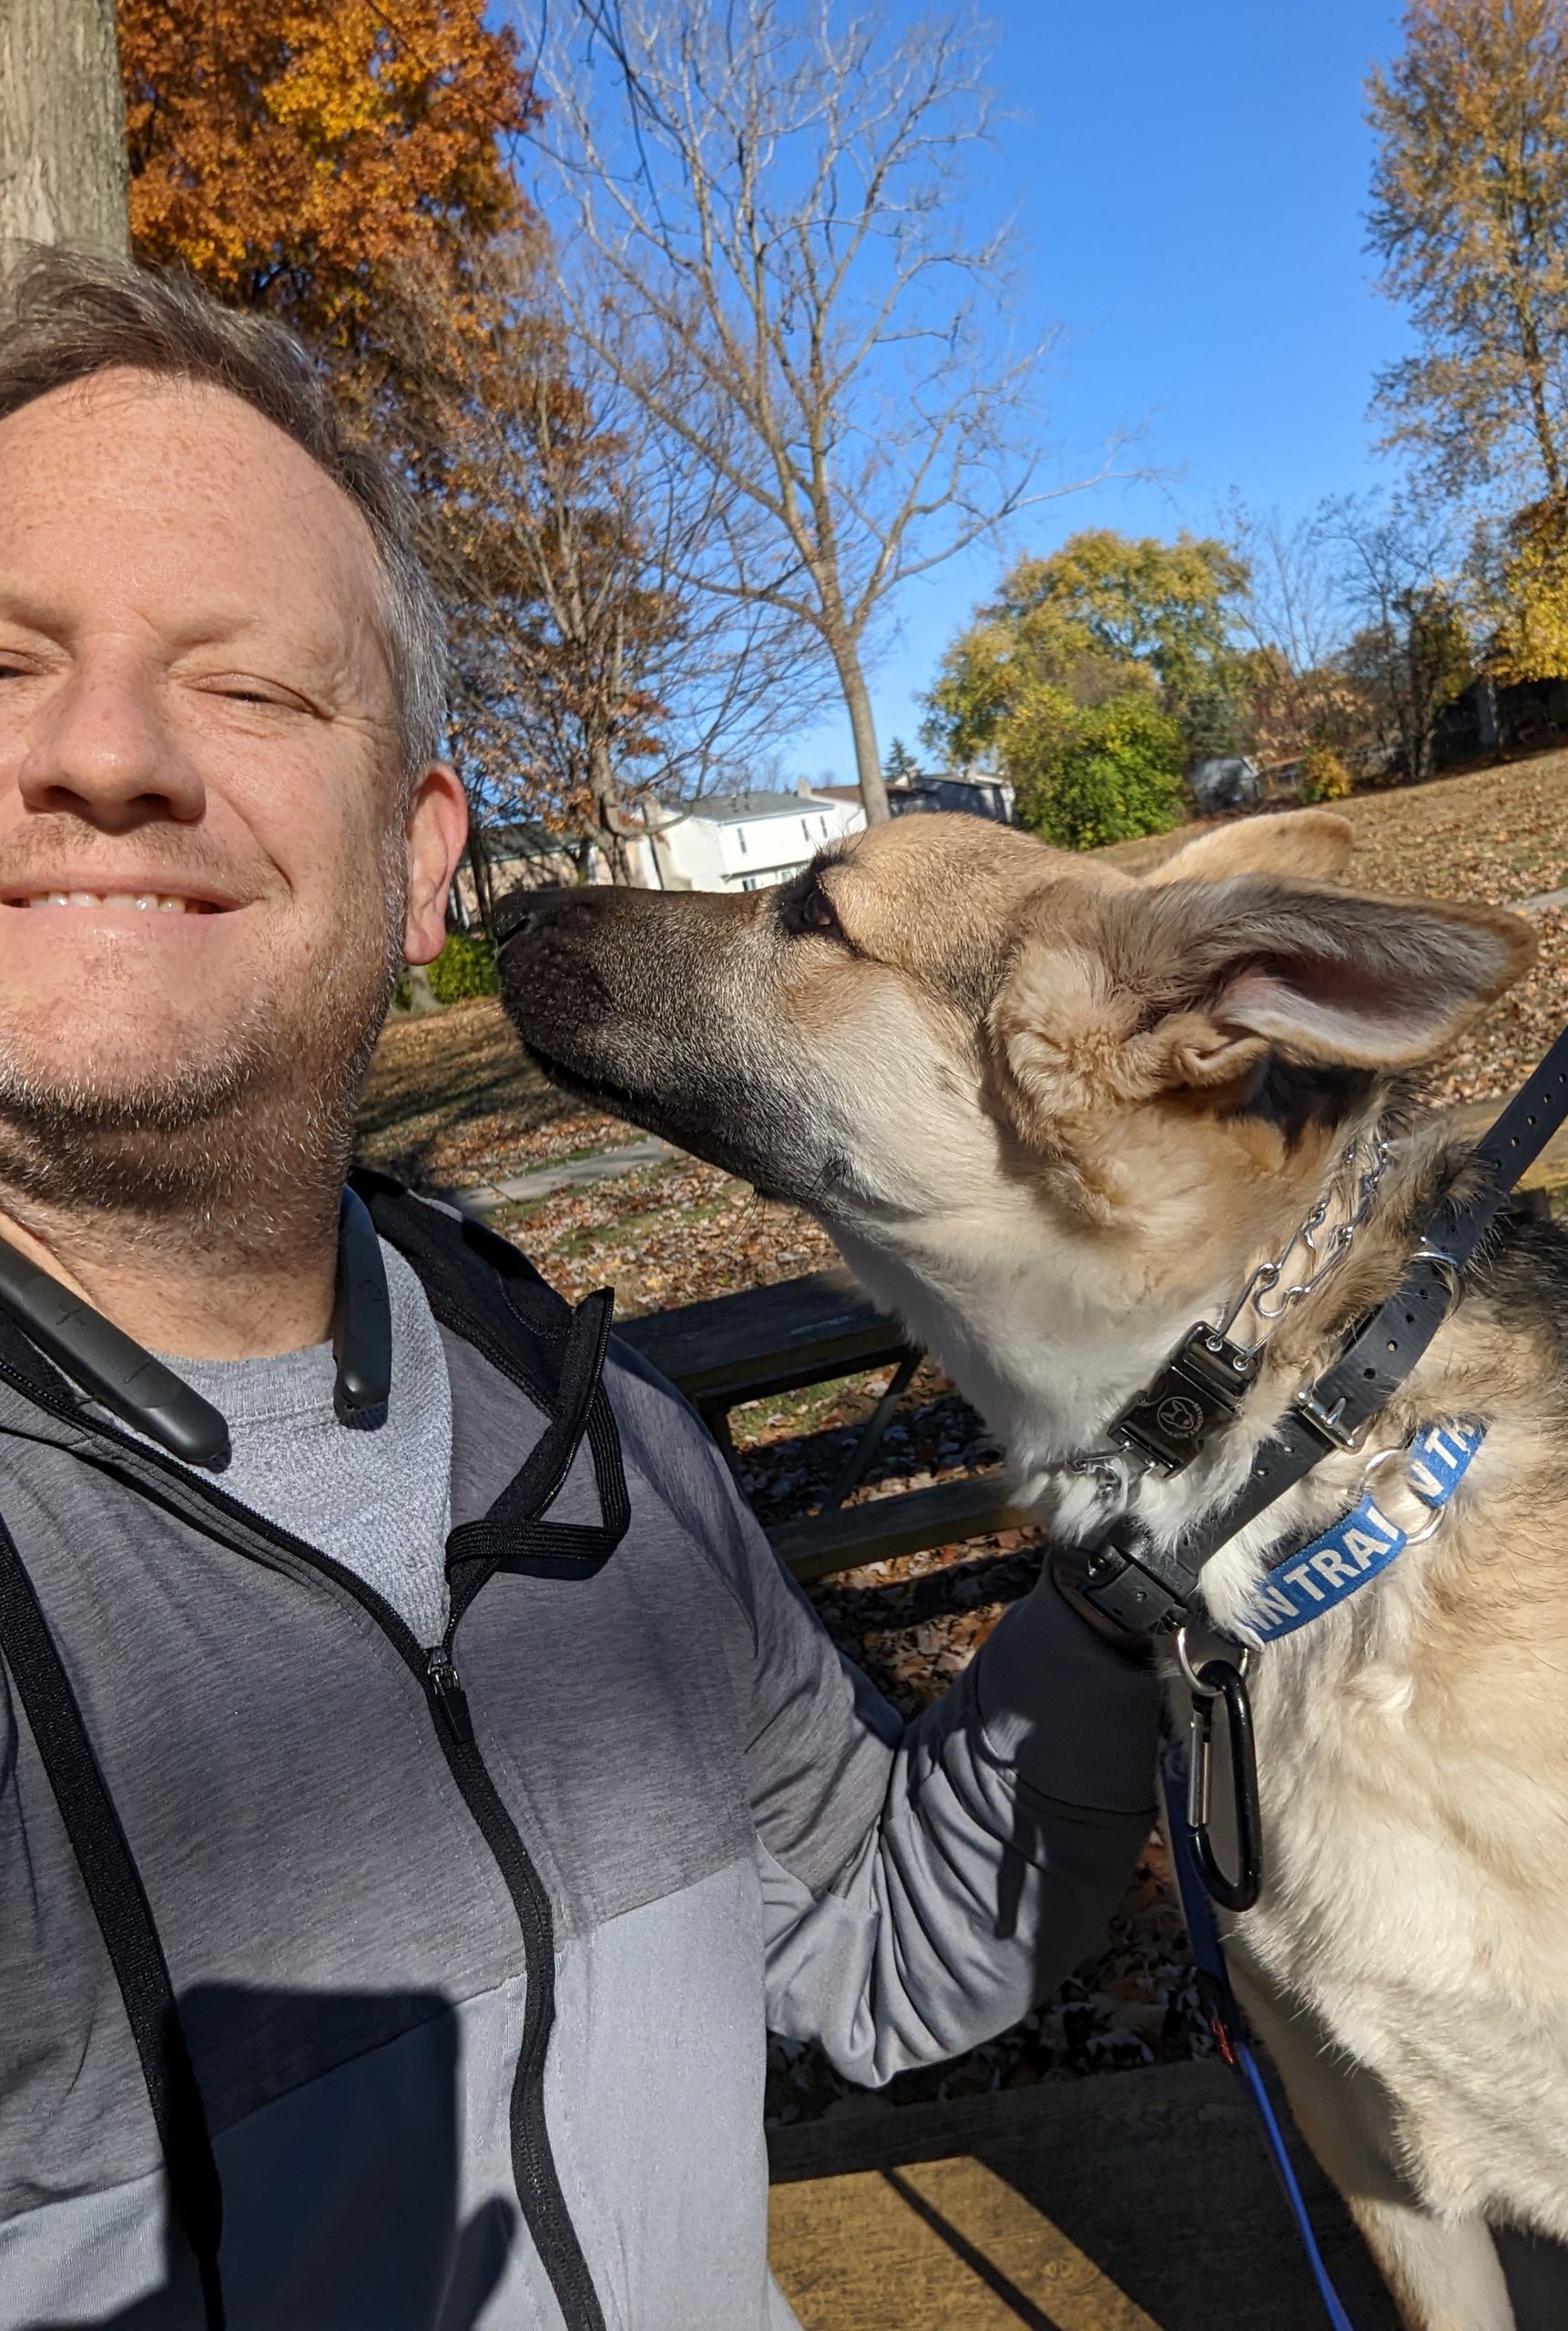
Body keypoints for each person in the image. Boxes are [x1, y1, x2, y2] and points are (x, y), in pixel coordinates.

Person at [0, 248, 1162, 2331]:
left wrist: (1130, 1574)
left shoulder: (580, 1423)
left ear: (427, 853)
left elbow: (891, 1938)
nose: (104, 753)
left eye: (248, 686)